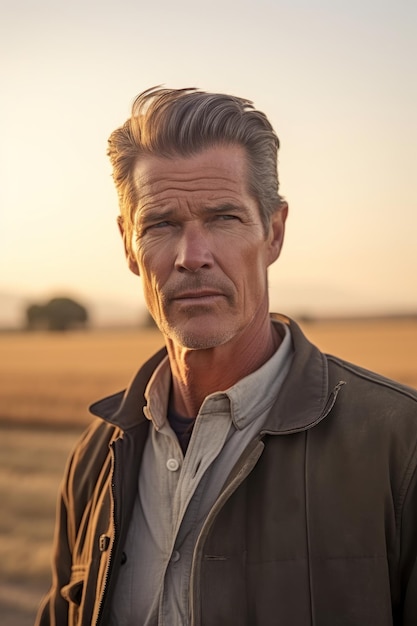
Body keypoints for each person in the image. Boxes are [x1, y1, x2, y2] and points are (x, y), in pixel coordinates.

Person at [36, 87, 417, 626]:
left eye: (223, 218)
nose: (193, 257)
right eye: (161, 224)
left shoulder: (400, 446)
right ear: (128, 244)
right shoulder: (98, 457)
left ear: (274, 233)